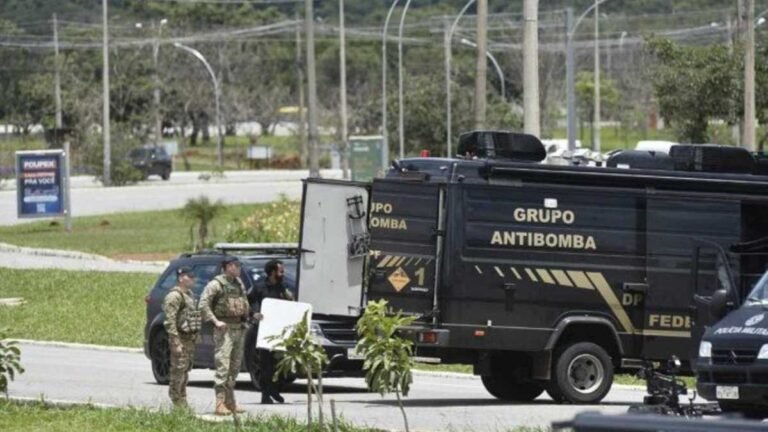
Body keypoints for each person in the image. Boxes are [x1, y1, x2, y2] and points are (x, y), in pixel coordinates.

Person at [199, 256, 252, 416]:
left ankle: (231, 402)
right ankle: (220, 403)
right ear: (228, 266)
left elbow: (244, 303)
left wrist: (250, 316)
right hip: (224, 330)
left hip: (239, 328)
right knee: (223, 366)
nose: (239, 268)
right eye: (236, 265)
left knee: (234, 368)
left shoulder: (238, 283)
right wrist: (216, 321)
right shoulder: (216, 284)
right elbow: (203, 305)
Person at [250, 259, 295, 405]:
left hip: (279, 332)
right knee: (266, 365)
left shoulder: (282, 288)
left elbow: (291, 302)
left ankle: (274, 390)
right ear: (272, 272)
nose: (283, 273)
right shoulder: (259, 288)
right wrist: (253, 314)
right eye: (280, 271)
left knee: (279, 364)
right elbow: (246, 301)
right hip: (264, 331)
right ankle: (265, 394)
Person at [162, 266, 201, 409]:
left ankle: (182, 401)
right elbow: (169, 321)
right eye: (189, 276)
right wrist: (175, 342)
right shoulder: (174, 296)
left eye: (193, 275)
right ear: (180, 278)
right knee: (177, 371)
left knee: (184, 371)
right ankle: (176, 400)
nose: (193, 278)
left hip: (189, 340)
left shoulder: (189, 294)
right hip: (180, 339)